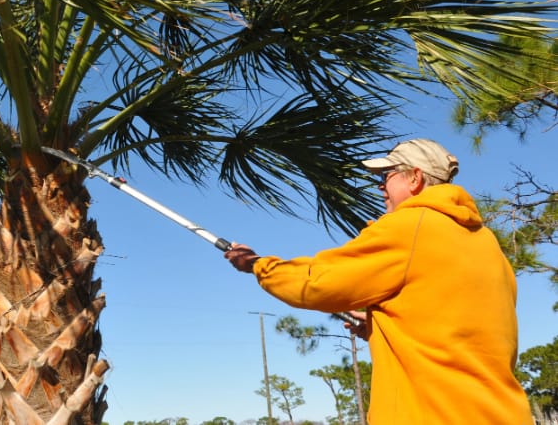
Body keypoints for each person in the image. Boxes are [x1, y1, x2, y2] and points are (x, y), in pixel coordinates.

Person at [224, 138, 531, 424]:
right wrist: (380, 325)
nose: (380, 187)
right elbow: (460, 332)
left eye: (386, 177)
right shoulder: (486, 243)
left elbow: (318, 281)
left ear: (415, 178)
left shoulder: (410, 225)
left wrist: (257, 265)